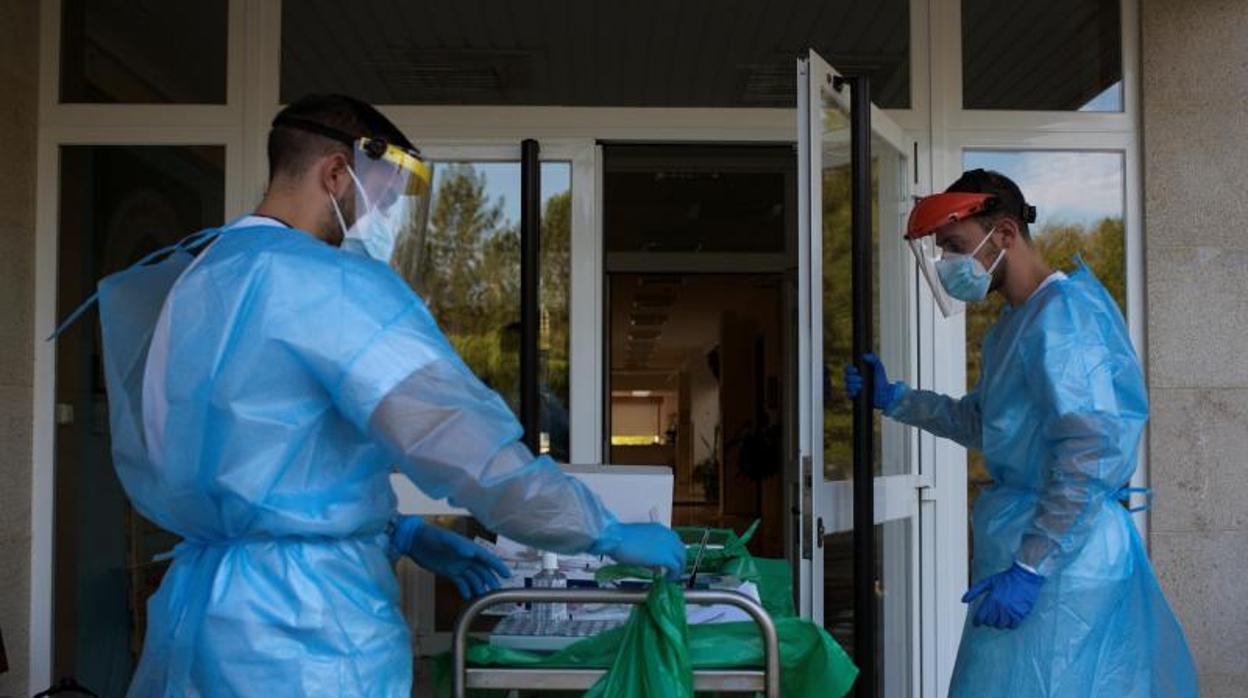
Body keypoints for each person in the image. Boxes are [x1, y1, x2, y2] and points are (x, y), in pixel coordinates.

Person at [58, 94, 686, 696]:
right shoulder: (326, 287)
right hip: (306, 633)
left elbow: (256, 463)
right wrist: (601, 532)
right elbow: (464, 445)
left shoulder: (194, 282)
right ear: (336, 174)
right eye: (377, 202)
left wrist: (400, 531)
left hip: (203, 618)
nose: (377, 224)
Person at [845, 170, 1197, 696]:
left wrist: (1033, 566)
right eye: (942, 250)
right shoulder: (1014, 324)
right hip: (1033, 557)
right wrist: (896, 399)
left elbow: (1091, 452)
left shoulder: (1066, 318)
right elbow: (986, 423)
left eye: (955, 246)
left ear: (1005, 233)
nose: (948, 265)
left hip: (1066, 569)